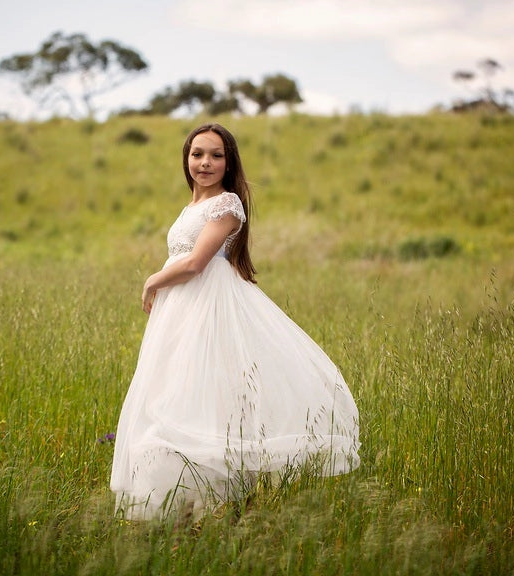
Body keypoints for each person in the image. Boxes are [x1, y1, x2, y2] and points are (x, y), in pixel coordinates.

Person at [110, 123, 360, 521]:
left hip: (209, 311)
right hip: (181, 315)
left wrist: (151, 281)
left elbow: (194, 264)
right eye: (197, 154)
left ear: (229, 162)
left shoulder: (227, 206)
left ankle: (215, 506)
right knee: (173, 395)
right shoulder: (190, 207)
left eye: (215, 155)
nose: (205, 163)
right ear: (186, 159)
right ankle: (181, 508)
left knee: (206, 400)